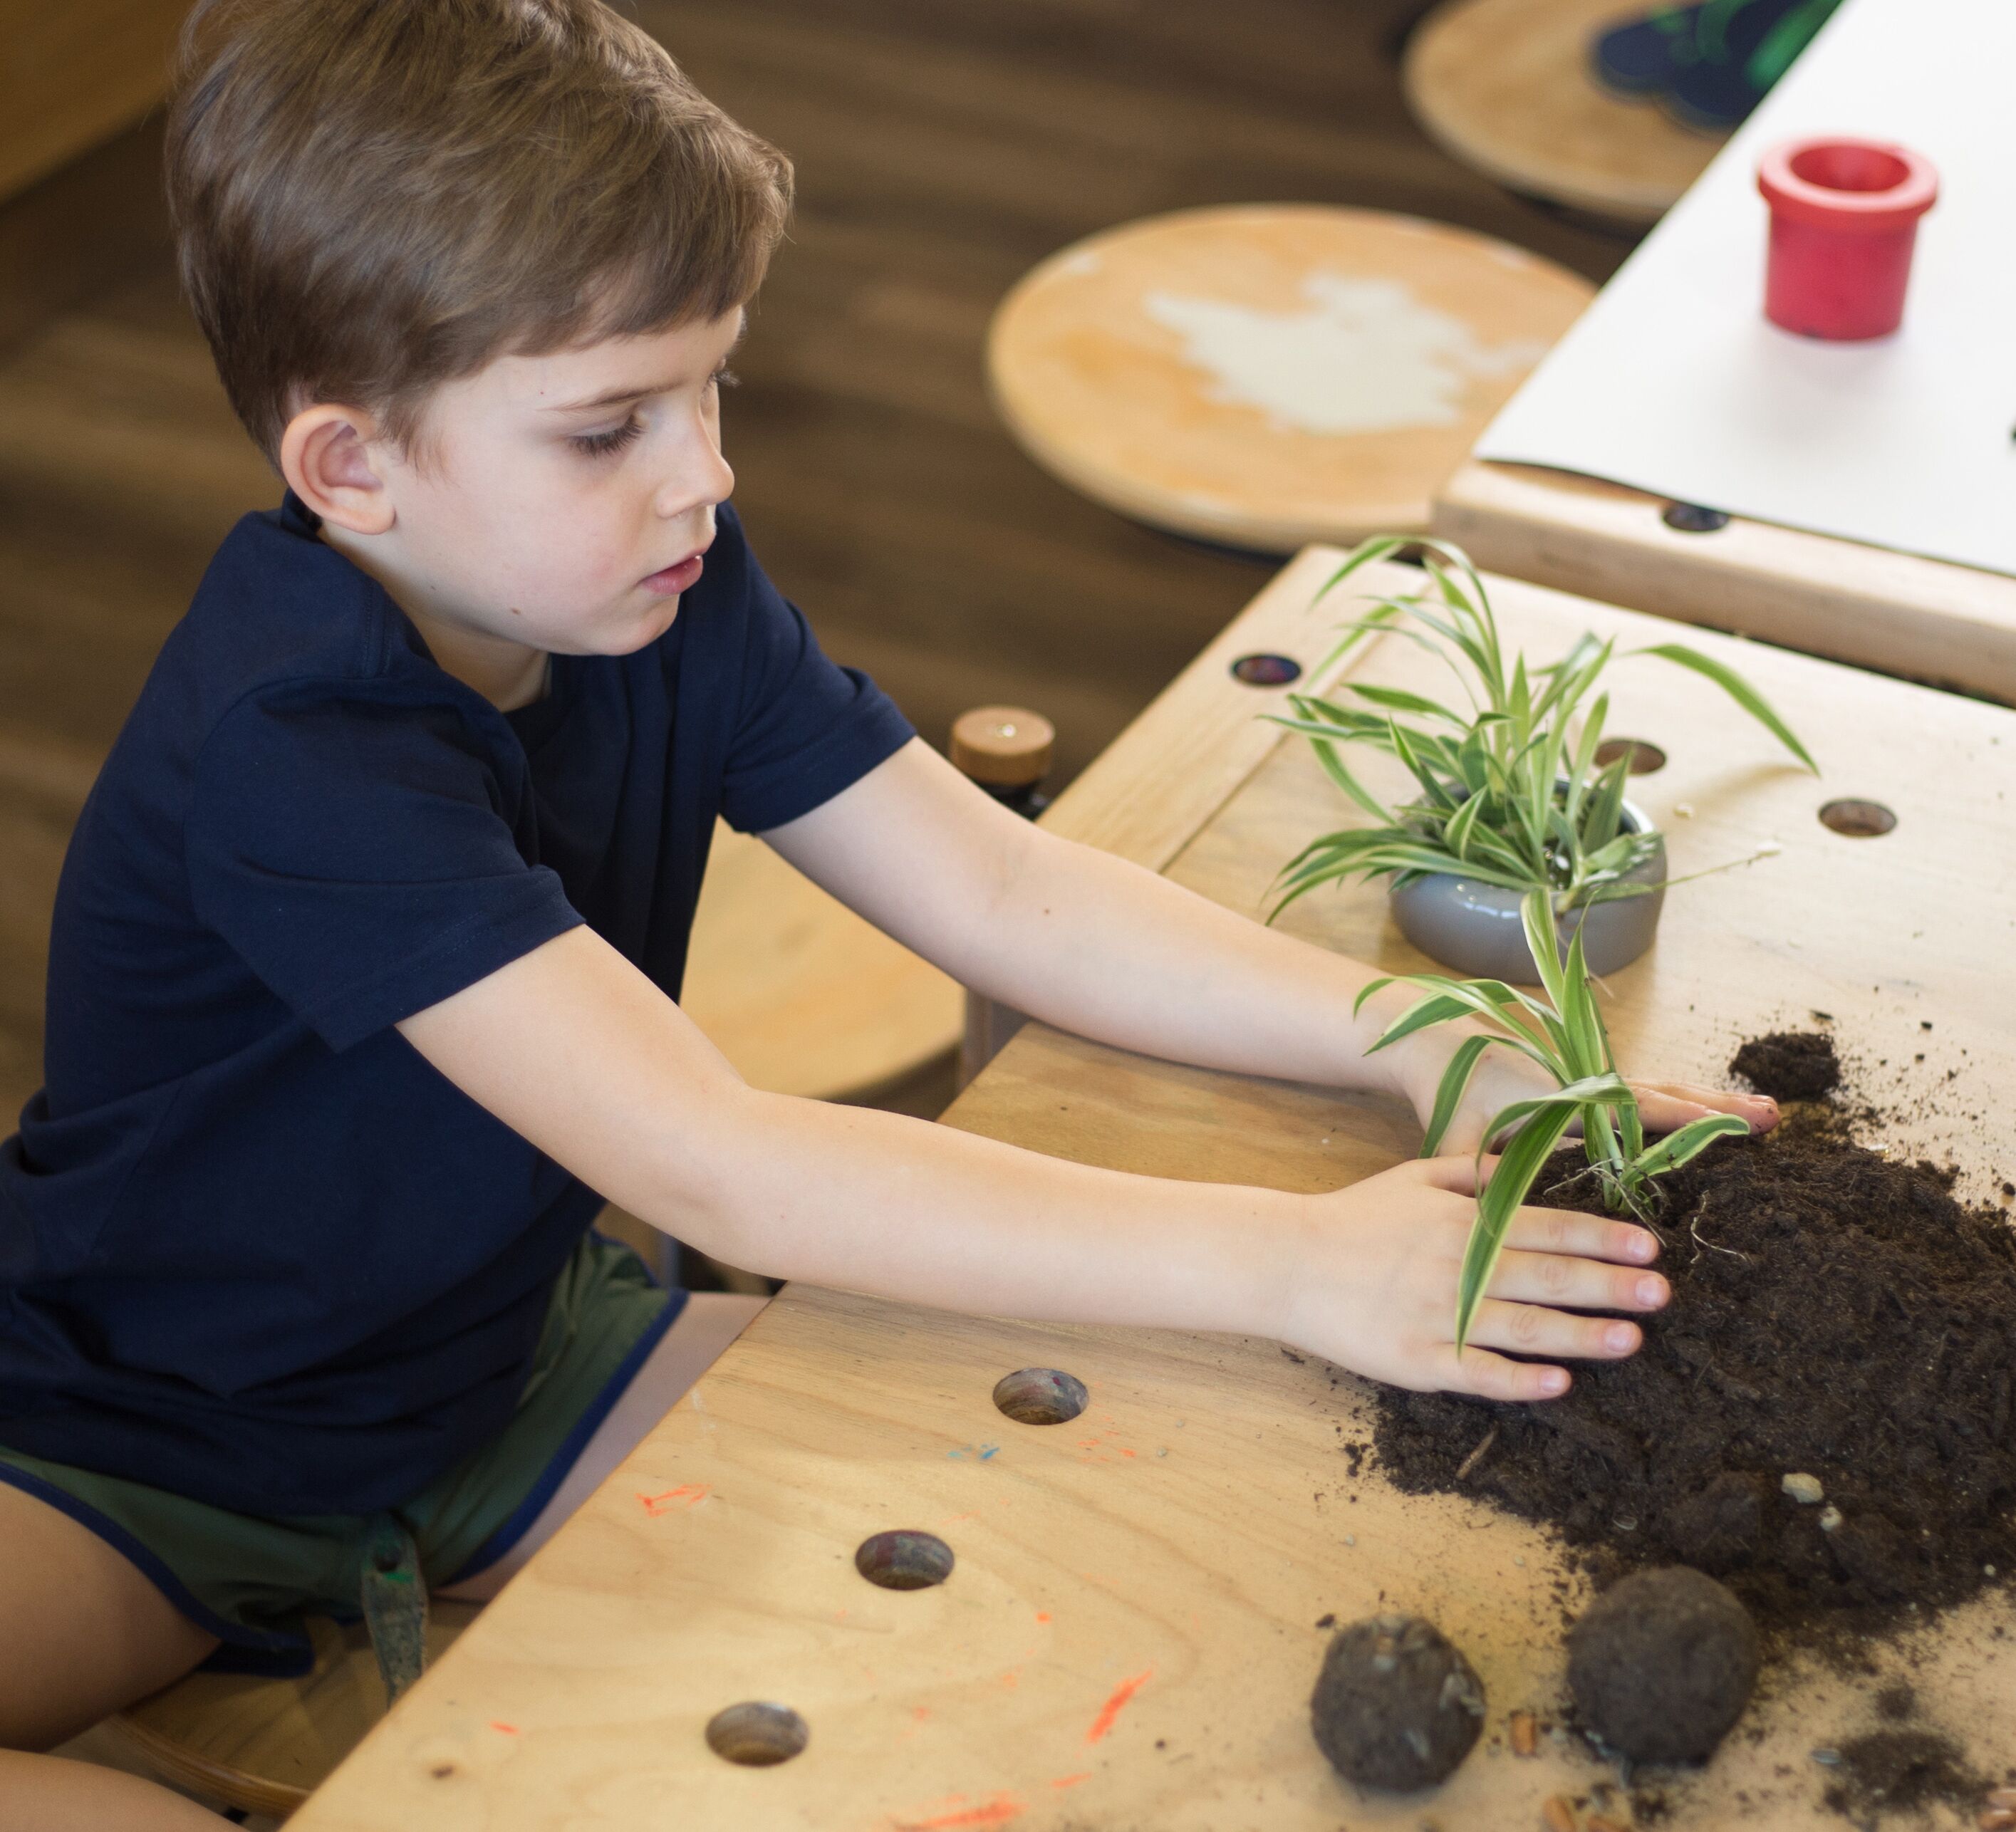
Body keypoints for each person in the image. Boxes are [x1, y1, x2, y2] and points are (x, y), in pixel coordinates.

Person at [0, 2, 1777, 1821]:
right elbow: (725, 1167)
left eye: (712, 389)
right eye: (608, 425)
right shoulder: (292, 750)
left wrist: (1417, 1039)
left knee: (1051, 1555)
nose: (703, 472)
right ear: (349, 468)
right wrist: (1290, 1255)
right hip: (136, 1444)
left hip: (509, 1359)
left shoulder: (656, 578)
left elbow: (999, 884)